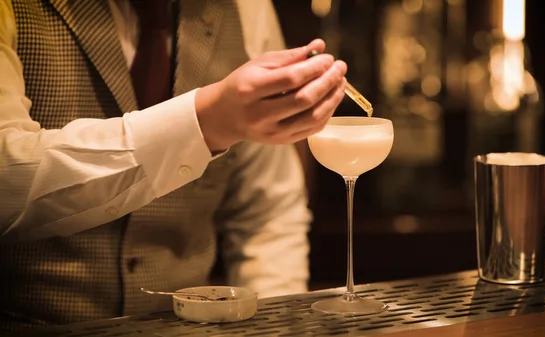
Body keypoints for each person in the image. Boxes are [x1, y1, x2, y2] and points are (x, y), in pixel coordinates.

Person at [0, 0, 347, 331]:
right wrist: (205, 122)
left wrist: (275, 327)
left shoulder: (245, 7)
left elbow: (267, 215)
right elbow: (7, 179)